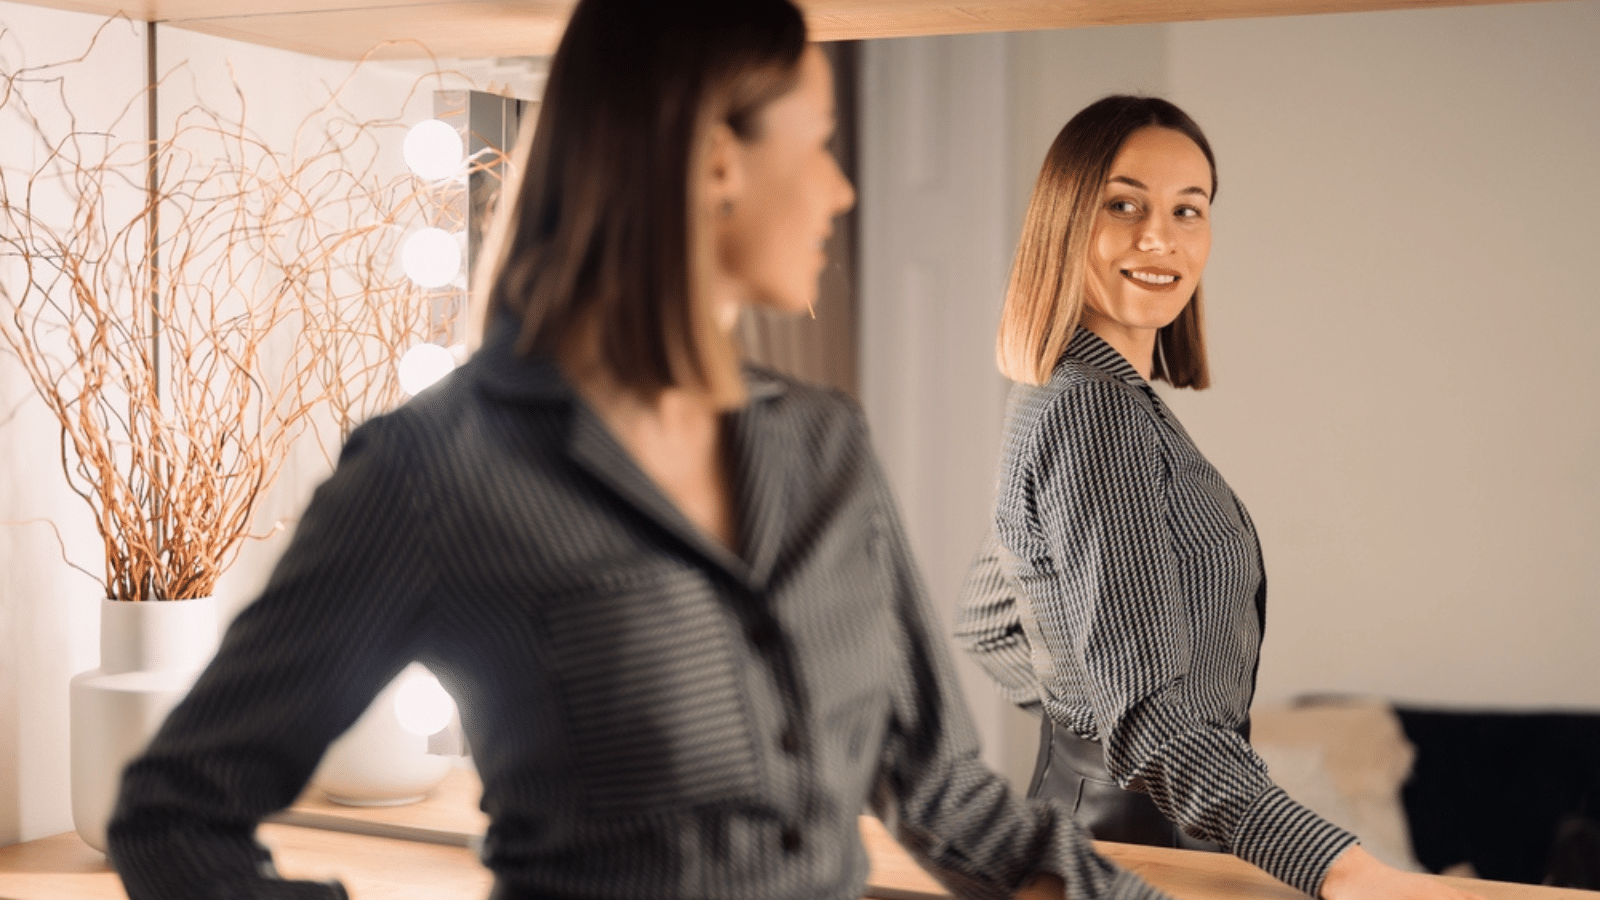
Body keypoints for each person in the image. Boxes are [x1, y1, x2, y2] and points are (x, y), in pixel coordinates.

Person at [107, 5, 1173, 900]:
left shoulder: (824, 445)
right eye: (817, 144)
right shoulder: (438, 472)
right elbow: (175, 817)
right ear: (715, 158)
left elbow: (949, 802)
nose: (840, 190)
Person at [954, 95, 1484, 900]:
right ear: (1065, 220)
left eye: (1188, 209)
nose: (1159, 237)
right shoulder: (1095, 412)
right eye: (1123, 204)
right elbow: (1150, 721)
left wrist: (1089, 725)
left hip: (1116, 835)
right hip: (1136, 855)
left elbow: (987, 620)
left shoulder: (1060, 393)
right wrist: (1347, 870)